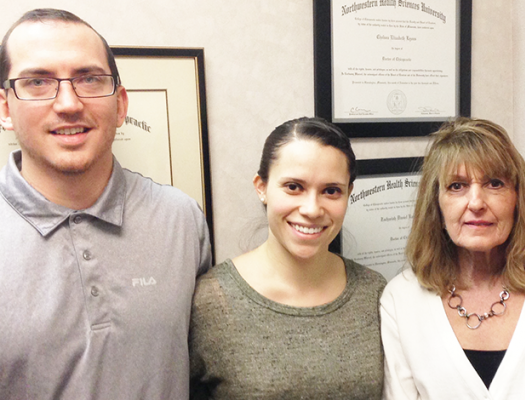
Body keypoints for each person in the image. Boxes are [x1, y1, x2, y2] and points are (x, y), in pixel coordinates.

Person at [0, 9, 212, 399]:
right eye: (37, 81)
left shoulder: (181, 219)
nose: (68, 103)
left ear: (120, 105)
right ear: (5, 109)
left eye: (89, 79)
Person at [380, 118, 525, 399]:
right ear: (436, 207)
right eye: (457, 186)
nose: (476, 203)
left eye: (495, 183)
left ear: (517, 199)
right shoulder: (400, 300)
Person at [189, 117, 386, 399]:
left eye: (331, 191)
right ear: (261, 187)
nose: (312, 209)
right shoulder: (210, 302)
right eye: (294, 186)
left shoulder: (374, 293)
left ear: (348, 195)